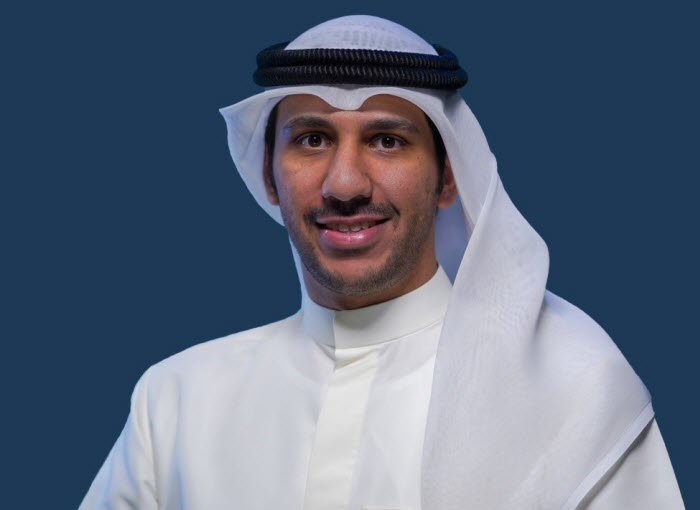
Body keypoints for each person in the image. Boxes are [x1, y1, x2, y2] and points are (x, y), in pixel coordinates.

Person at [78, 15, 685, 510]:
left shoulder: (576, 391)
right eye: (312, 139)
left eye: (387, 140)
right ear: (268, 174)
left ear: (449, 176)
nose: (345, 184)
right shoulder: (175, 401)